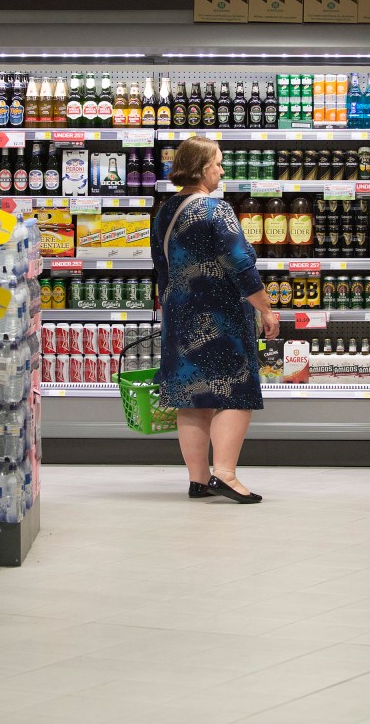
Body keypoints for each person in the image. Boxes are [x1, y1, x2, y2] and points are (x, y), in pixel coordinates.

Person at [152, 136, 280, 504]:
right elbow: (241, 265)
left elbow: (162, 268)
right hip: (220, 316)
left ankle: (198, 480)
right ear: (202, 168)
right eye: (218, 163)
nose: (222, 170)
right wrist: (266, 309)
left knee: (193, 398)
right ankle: (225, 474)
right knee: (235, 393)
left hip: (180, 314)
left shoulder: (165, 211)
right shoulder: (215, 210)